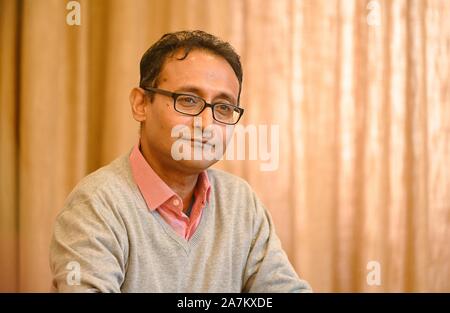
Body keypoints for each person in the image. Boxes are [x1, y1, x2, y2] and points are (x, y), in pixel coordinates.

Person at [50, 30, 311, 293]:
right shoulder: (96, 204)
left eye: (223, 107)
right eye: (187, 100)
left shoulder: (240, 202)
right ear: (141, 104)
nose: (206, 124)